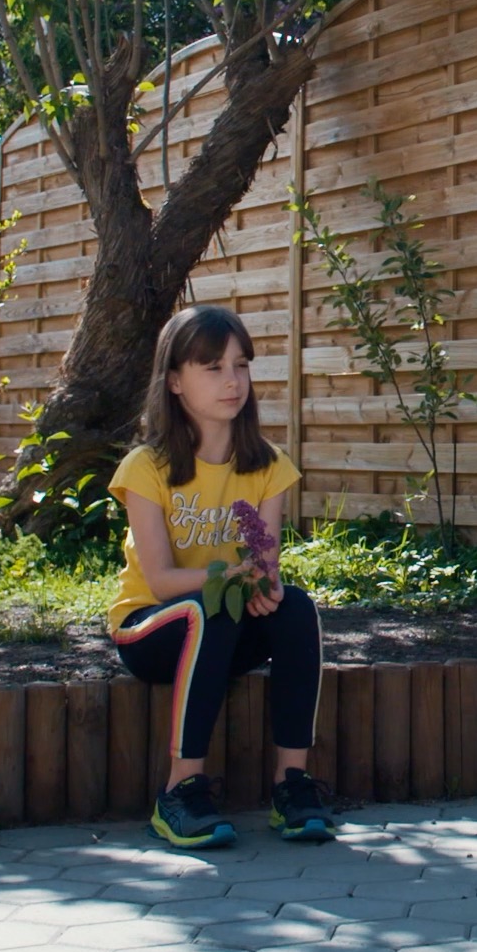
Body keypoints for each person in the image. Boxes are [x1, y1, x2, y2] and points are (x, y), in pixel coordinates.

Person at [108, 304, 339, 849]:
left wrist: (266, 587)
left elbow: (265, 565)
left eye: (241, 365)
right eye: (212, 367)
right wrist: (234, 577)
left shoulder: (268, 466)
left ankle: (292, 785)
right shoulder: (145, 468)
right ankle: (179, 791)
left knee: (298, 606)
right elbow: (162, 581)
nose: (232, 381)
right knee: (202, 608)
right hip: (151, 628)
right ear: (174, 381)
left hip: (225, 622)